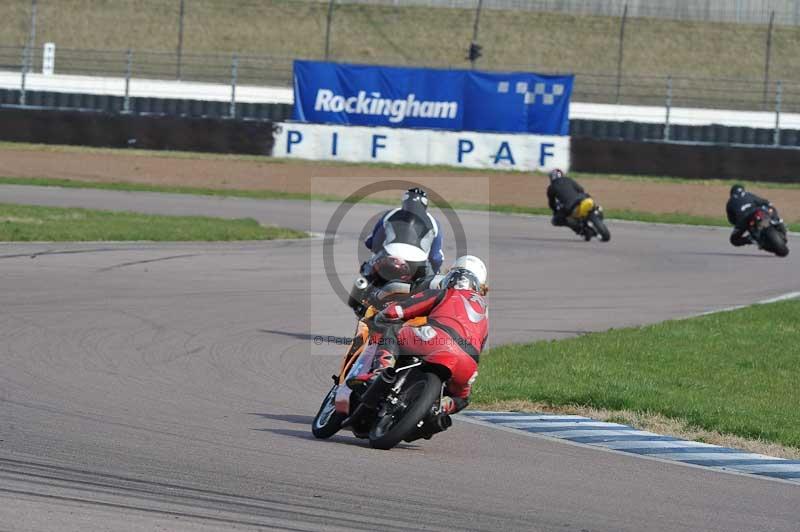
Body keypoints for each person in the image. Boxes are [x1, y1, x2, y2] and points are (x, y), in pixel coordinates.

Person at [369, 255, 489, 419]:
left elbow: (399, 310)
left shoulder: (445, 292)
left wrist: (383, 315)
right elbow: (481, 346)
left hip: (435, 340)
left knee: (394, 332)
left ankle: (380, 372)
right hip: (468, 362)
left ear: (450, 277)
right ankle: (439, 410)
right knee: (462, 398)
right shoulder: (484, 312)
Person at [364, 188, 444, 278]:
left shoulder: (391, 213)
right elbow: (436, 257)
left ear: (404, 200)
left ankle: (363, 287)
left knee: (367, 272)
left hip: (389, 257)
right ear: (425, 204)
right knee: (431, 284)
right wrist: (435, 271)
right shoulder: (434, 222)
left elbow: (373, 242)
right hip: (418, 264)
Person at [546, 169, 589, 234]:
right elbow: (581, 189)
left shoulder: (551, 187)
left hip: (568, 206)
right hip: (582, 199)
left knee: (555, 221)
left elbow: (552, 203)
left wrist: (555, 211)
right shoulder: (568, 179)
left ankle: (578, 228)